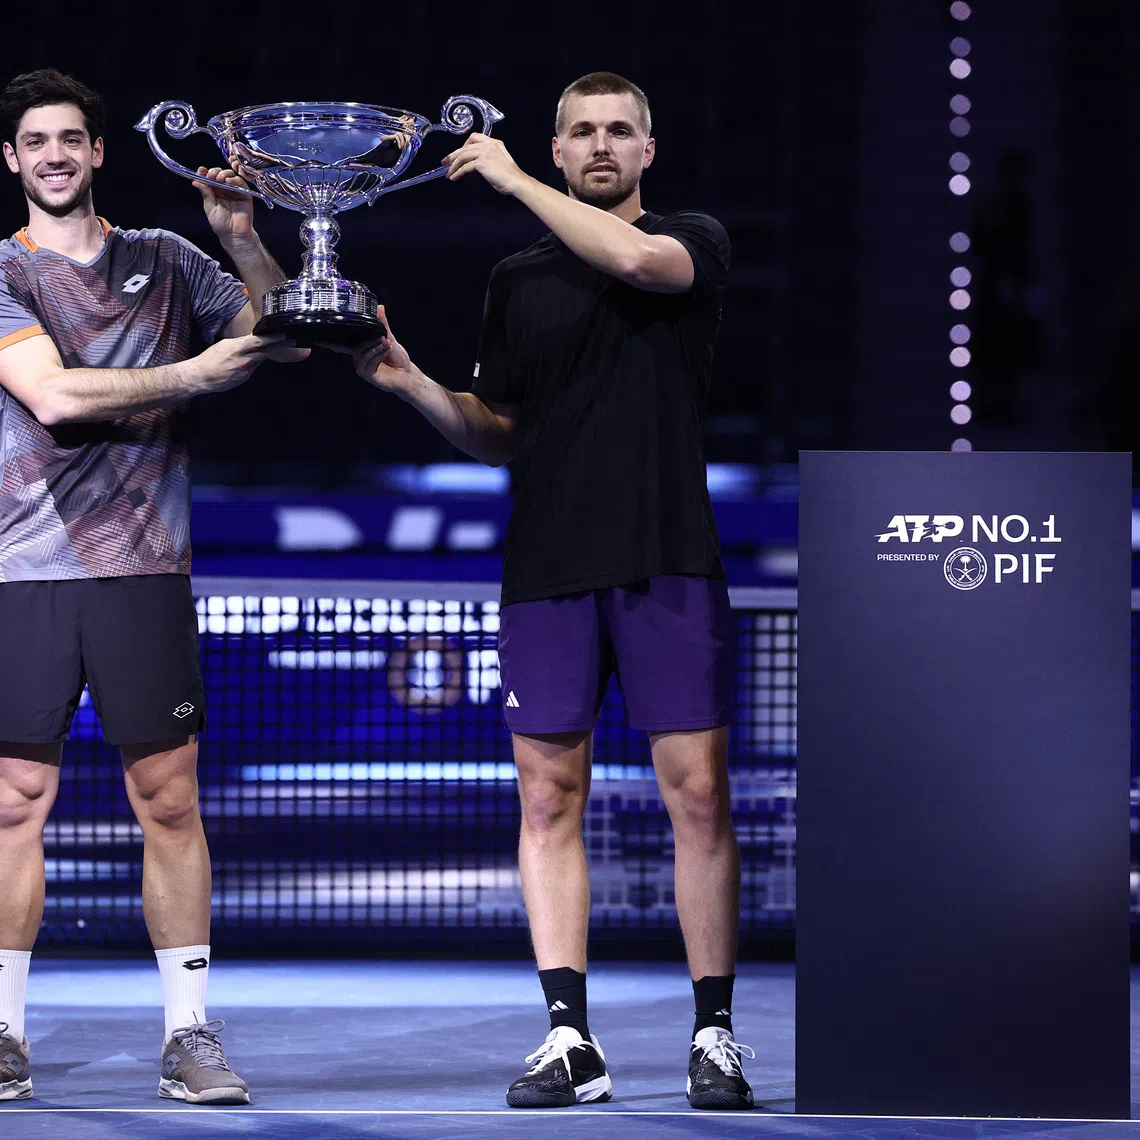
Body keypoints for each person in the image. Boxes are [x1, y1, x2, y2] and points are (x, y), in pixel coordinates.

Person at [334, 71, 752, 1110]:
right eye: (582, 132)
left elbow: (641, 262)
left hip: (666, 554)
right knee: (547, 798)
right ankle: (570, 1038)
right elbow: (498, 434)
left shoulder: (691, 238)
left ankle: (715, 1034)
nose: (601, 144)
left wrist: (514, 180)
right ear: (562, 148)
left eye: (620, 131)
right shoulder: (518, 279)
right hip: (547, 569)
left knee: (697, 798)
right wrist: (416, 386)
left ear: (647, 151)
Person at [0, 69, 303, 1106]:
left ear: (96, 153)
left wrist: (241, 234)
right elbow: (51, 394)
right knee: (12, 803)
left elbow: (288, 325)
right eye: (35, 141)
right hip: (23, 568)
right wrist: (195, 377)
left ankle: (189, 1036)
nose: (53, 155)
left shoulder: (168, 261)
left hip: (147, 570)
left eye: (70, 139)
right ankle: (1, 1035)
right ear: (12, 159)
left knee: (168, 801)